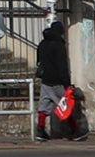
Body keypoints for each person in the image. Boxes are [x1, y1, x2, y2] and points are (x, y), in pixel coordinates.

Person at [33, 12, 81, 141]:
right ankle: (75, 131)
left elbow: (39, 62)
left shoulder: (42, 44)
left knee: (43, 107)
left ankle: (40, 130)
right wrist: (67, 84)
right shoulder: (59, 45)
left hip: (45, 81)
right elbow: (62, 66)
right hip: (57, 82)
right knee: (66, 105)